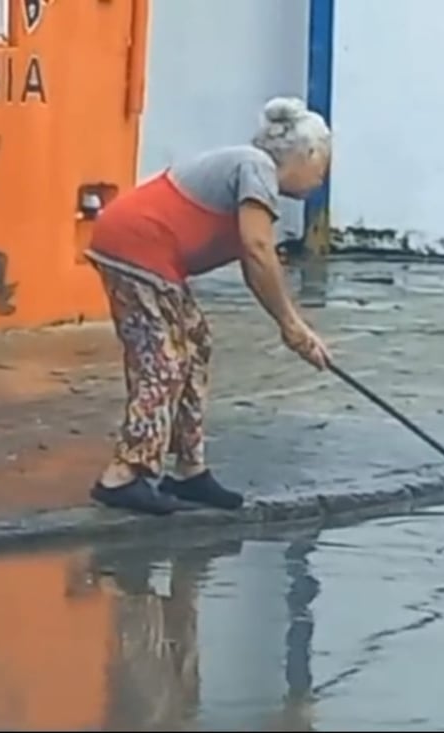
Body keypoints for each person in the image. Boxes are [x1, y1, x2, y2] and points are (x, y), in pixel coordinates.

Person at [84, 96, 333, 516]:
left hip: (151, 254)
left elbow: (258, 265)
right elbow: (257, 251)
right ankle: (122, 475)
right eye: (322, 164)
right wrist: (292, 326)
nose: (323, 176)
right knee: (163, 360)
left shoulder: (251, 174)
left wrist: (293, 326)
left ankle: (188, 470)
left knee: (195, 345)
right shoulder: (257, 167)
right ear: (306, 154)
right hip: (138, 246)